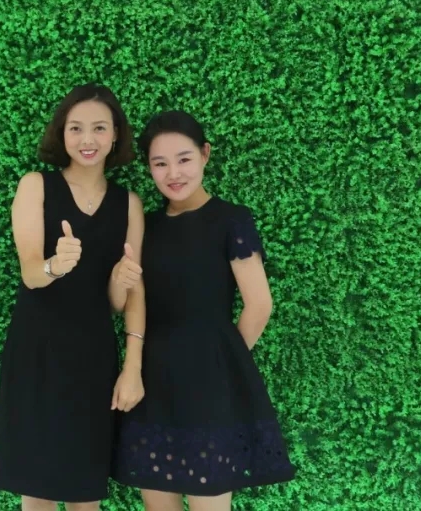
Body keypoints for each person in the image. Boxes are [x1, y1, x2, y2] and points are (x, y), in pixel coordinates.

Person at [113, 110, 296, 511]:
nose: (173, 173)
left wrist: (221, 365)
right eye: (160, 163)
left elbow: (259, 304)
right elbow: (132, 299)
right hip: (153, 380)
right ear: (149, 168)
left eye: (184, 159)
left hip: (209, 389)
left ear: (205, 154)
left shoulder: (231, 220)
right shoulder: (146, 225)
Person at [0, 83, 147, 511]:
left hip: (94, 358)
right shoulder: (36, 186)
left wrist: (132, 366)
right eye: (75, 128)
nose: (87, 139)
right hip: (37, 352)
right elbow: (30, 274)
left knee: (86, 493)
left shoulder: (129, 204)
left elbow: (123, 300)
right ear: (61, 134)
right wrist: (55, 265)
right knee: (37, 490)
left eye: (99, 128)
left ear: (115, 135)